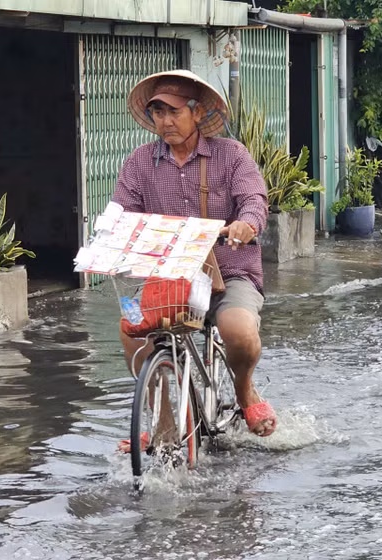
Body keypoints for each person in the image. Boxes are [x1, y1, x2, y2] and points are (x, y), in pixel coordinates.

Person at [112, 70, 277, 439]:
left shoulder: (231, 155)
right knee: (129, 328)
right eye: (157, 113)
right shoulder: (139, 163)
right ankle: (163, 423)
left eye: (174, 112)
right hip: (167, 279)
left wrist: (245, 224)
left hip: (230, 273)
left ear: (197, 113)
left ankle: (244, 389)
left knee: (238, 331)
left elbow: (254, 200)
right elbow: (121, 212)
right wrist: (112, 237)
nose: (165, 122)